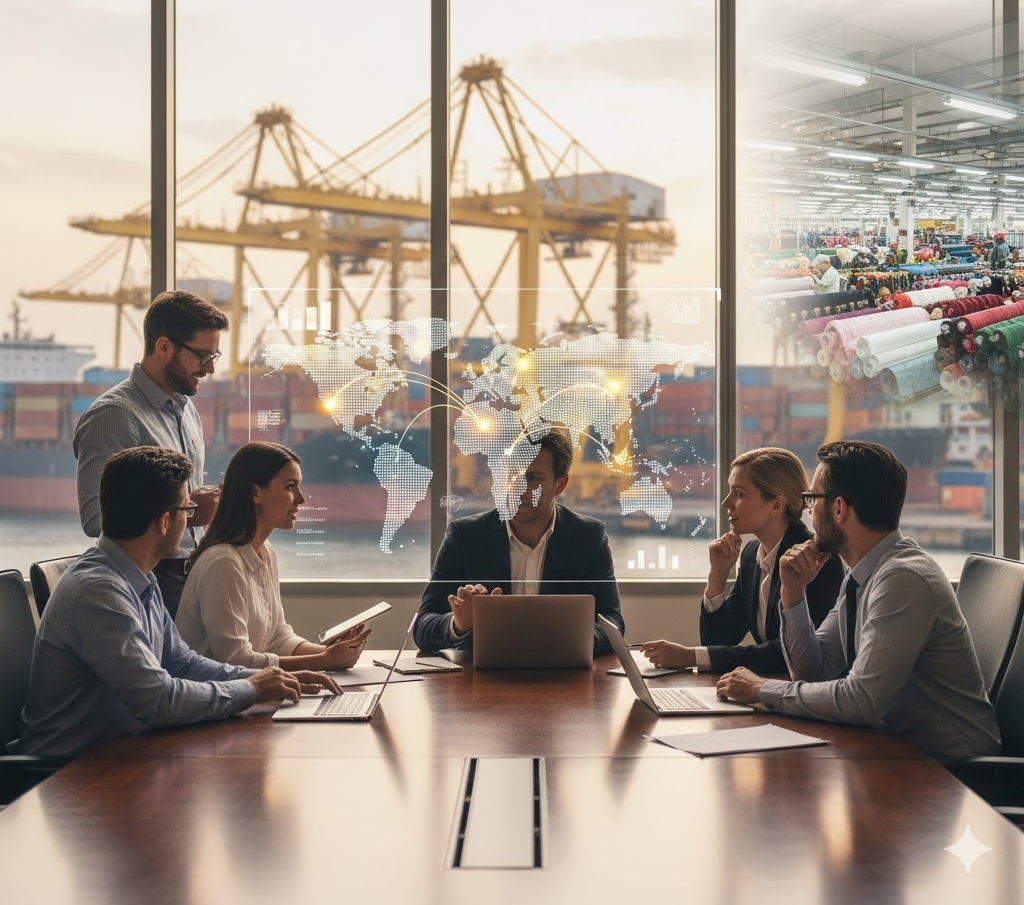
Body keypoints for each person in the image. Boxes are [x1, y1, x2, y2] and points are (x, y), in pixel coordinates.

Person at [12, 447, 340, 759]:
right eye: (188, 510)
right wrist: (251, 689)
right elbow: (158, 701)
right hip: (68, 774)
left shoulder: (137, 577)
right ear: (165, 521)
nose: (192, 521)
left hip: (119, 753)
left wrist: (268, 677)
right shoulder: (100, 594)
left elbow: (182, 663)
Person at [715, 441, 1000, 762]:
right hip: (899, 755)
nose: (808, 511)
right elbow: (813, 672)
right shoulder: (863, 574)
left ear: (838, 508)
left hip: (955, 774)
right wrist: (793, 595)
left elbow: (862, 700)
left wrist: (762, 689)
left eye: (812, 500)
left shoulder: (903, 578)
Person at [74, 289, 229, 619]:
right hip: (146, 582)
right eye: (203, 356)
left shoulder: (189, 413)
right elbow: (94, 519)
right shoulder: (114, 416)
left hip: (190, 573)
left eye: (214, 357)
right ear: (163, 347)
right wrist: (186, 512)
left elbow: (186, 505)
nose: (210, 369)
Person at [414, 427, 624, 655]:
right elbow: (423, 625)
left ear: (560, 485)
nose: (517, 488)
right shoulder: (464, 536)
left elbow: (613, 621)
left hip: (561, 677)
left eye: (532, 478)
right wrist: (459, 624)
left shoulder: (588, 537)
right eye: (511, 474)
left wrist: (576, 641)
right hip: (482, 681)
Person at [640, 447, 843, 674]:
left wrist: (690, 656)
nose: (726, 502)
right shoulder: (751, 554)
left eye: (738, 494)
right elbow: (719, 639)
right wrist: (717, 574)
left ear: (776, 505)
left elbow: (788, 652)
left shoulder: (816, 560)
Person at [176, 442, 370, 670]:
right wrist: (324, 661)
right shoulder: (223, 562)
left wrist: (331, 653)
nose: (301, 499)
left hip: (250, 693)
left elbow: (278, 638)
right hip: (219, 699)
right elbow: (234, 661)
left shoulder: (265, 552)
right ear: (255, 492)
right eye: (290, 487)